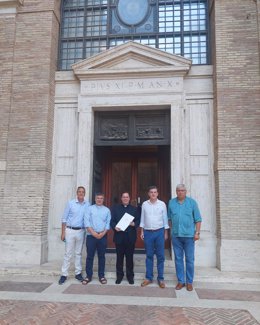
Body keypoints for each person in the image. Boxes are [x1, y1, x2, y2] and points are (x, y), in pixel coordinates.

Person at [168, 184, 202, 291]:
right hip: (176, 236)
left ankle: (189, 282)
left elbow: (198, 219)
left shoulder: (192, 203)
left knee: (190, 260)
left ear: (185, 191)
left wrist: (197, 233)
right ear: (176, 192)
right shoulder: (171, 202)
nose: (180, 192)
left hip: (189, 237)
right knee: (178, 259)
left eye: (182, 190)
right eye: (178, 190)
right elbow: (169, 218)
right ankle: (181, 281)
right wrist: (172, 230)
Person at [58, 186, 90, 285]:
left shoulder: (87, 204)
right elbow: (64, 218)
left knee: (78, 253)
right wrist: (63, 232)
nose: (81, 193)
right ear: (77, 193)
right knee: (68, 254)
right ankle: (64, 274)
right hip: (70, 230)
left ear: (84, 194)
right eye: (79, 192)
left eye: (82, 192)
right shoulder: (70, 203)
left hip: (81, 231)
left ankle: (78, 273)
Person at [140, 186, 169, 288]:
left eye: (155, 192)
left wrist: (165, 233)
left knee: (160, 256)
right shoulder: (144, 204)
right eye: (151, 192)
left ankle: (160, 278)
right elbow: (142, 219)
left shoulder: (162, 204)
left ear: (157, 193)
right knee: (149, 256)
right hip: (148, 232)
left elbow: (165, 219)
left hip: (159, 232)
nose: (153, 194)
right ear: (148, 194)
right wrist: (142, 231)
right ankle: (148, 278)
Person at [110, 192, 140, 285]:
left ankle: (130, 276)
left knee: (129, 258)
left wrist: (134, 224)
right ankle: (119, 276)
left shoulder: (134, 209)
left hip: (130, 237)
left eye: (127, 197)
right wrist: (114, 227)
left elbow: (138, 221)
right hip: (119, 236)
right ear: (121, 198)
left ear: (129, 198)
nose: (125, 198)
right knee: (119, 258)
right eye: (124, 197)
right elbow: (112, 221)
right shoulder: (115, 209)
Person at [82, 192, 111, 285]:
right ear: (95, 199)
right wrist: (94, 233)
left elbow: (108, 224)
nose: (99, 200)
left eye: (101, 198)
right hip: (91, 236)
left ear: (103, 199)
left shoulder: (107, 210)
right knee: (90, 257)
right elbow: (86, 222)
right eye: (98, 198)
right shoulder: (89, 209)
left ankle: (101, 276)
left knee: (101, 257)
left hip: (102, 236)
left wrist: (102, 234)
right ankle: (88, 276)